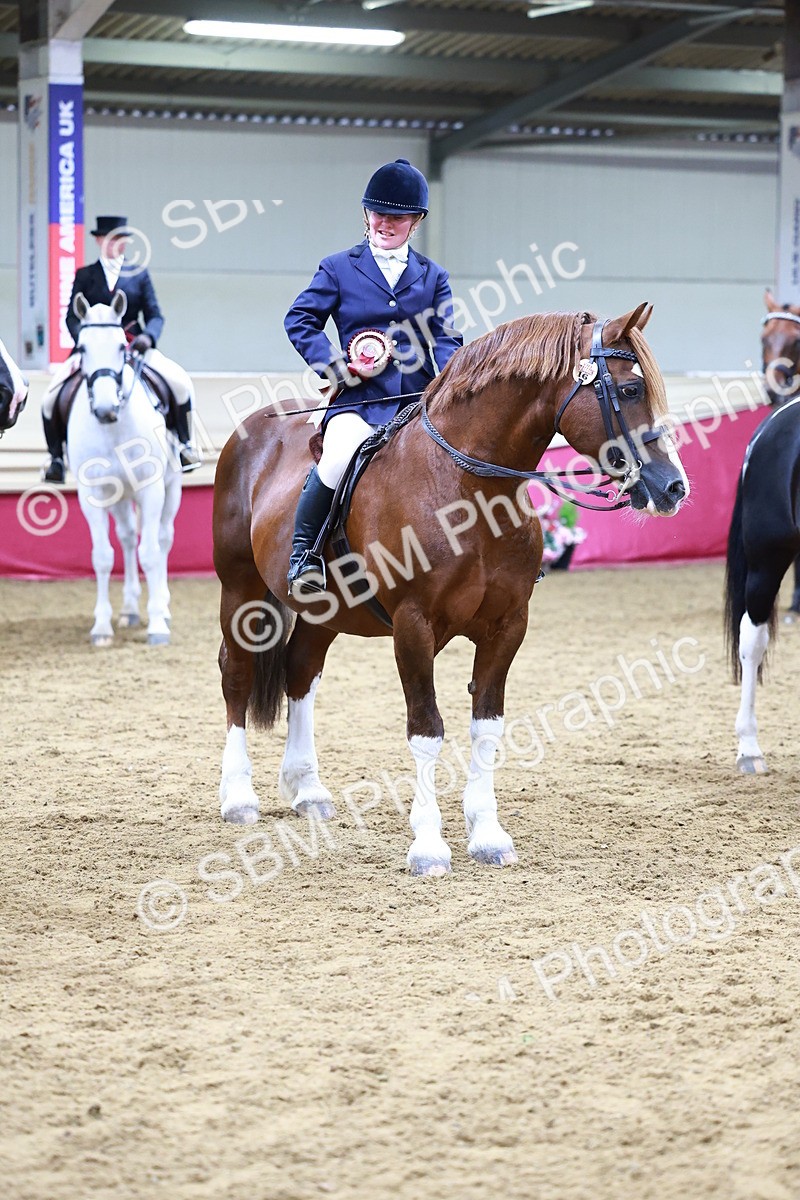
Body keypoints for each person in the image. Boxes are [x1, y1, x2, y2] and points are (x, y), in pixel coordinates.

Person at [284, 158, 462, 598]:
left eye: (397, 216)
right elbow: (300, 318)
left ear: (415, 221)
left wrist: (451, 384)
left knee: (468, 455)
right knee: (339, 456)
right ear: (365, 214)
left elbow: (446, 337)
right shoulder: (338, 267)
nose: (386, 223)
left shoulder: (433, 276)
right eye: (378, 213)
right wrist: (338, 368)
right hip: (360, 402)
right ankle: (304, 556)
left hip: (417, 403)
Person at [41, 215, 201, 482]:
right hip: (93, 349)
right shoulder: (85, 275)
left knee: (181, 383)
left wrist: (148, 337)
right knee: (49, 397)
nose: (119, 244)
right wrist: (85, 337)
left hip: (133, 345)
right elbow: (71, 315)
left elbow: (155, 315)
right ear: (99, 240)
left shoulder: (138, 273)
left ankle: (185, 445)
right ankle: (56, 459)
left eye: (123, 239)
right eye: (113, 239)